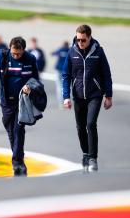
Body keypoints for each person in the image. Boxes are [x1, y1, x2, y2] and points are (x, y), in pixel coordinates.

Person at [62, 24, 113, 172]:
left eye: (83, 40)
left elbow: (106, 74)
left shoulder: (98, 51)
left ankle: (93, 158)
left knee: (90, 124)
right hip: (78, 96)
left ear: (89, 37)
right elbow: (65, 75)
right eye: (78, 39)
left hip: (94, 95)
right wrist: (66, 97)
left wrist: (108, 96)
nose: (80, 42)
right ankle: (85, 153)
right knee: (80, 127)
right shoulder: (72, 52)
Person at [0, 36, 39, 176]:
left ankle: (17, 163)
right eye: (13, 53)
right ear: (10, 48)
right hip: (6, 101)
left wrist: (31, 87)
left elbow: (36, 80)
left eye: (18, 53)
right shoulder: (3, 57)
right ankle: (19, 158)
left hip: (23, 101)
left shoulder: (30, 59)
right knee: (10, 130)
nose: (15, 55)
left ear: (24, 50)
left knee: (18, 130)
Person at [52, 41, 69, 106]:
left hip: (59, 69)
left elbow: (53, 53)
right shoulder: (69, 51)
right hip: (66, 70)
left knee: (59, 86)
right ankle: (66, 101)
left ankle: (61, 103)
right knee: (66, 86)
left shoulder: (60, 50)